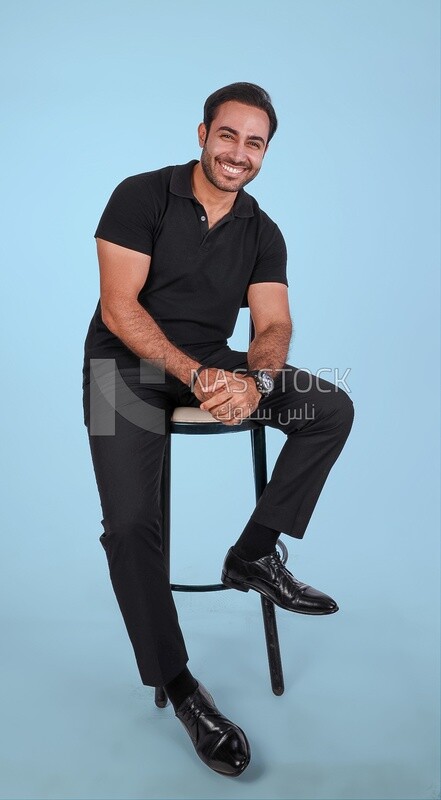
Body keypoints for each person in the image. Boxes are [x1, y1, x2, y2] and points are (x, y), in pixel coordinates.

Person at [82, 82, 354, 777]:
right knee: (131, 523)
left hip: (216, 366)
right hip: (124, 370)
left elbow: (272, 326)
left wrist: (255, 382)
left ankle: (253, 555)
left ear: (265, 152)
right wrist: (199, 377)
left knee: (327, 408)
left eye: (253, 142)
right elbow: (118, 309)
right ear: (202, 133)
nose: (238, 153)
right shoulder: (141, 195)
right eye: (227, 136)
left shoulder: (262, 230)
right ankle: (180, 687)